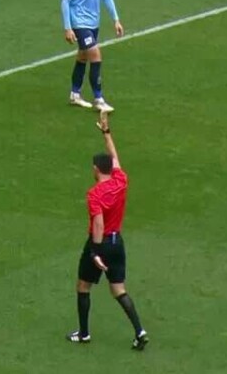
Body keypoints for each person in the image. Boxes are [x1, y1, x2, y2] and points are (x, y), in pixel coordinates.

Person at [68, 111, 149, 350]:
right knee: (118, 290)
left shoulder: (94, 194)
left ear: (96, 169)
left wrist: (94, 251)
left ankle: (84, 333)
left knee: (83, 286)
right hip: (117, 243)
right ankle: (139, 331)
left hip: (100, 242)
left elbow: (98, 224)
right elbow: (116, 159)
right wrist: (106, 132)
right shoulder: (121, 181)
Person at [61, 0, 123, 112]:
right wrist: (68, 28)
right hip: (79, 23)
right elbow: (65, 2)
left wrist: (116, 19)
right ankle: (98, 99)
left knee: (82, 57)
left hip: (94, 23)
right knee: (95, 54)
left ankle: (75, 94)